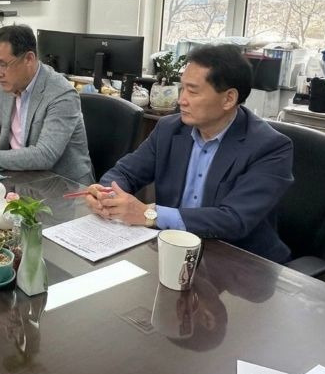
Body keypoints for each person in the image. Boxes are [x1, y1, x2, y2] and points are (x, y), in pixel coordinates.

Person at [85, 44, 294, 263]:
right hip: (174, 249)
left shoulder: (270, 147)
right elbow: (126, 173)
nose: (181, 100)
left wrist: (149, 214)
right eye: (182, 88)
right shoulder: (169, 129)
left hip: (239, 261)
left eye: (192, 91)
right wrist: (106, 194)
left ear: (229, 99)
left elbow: (234, 219)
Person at [0, 24, 94, 185]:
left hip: (64, 185)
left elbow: (45, 155)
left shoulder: (61, 94)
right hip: (20, 176)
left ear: (29, 59)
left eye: (2, 65)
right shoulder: (7, 84)